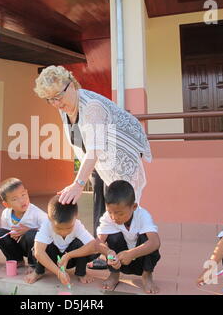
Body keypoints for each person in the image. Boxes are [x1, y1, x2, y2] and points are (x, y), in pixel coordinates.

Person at [34, 65, 152, 269]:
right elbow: (80, 143)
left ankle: (137, 259)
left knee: (122, 209)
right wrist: (82, 178)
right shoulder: (66, 109)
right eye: (50, 99)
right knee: (101, 207)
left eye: (58, 96)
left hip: (120, 159)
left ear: (71, 84)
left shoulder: (92, 107)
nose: (56, 103)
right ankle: (104, 253)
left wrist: (77, 184)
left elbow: (93, 150)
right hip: (100, 161)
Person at [96, 180, 161, 294]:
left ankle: (147, 276)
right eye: (110, 212)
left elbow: (155, 242)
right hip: (119, 262)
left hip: (141, 261)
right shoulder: (108, 217)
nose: (114, 217)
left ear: (134, 207)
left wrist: (131, 254)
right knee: (113, 237)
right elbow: (97, 243)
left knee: (147, 239)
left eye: (120, 213)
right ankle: (114, 274)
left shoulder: (143, 215)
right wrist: (108, 252)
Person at [24, 195, 98, 286]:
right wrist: (58, 272)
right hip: (54, 259)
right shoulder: (46, 225)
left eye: (69, 228)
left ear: (76, 218)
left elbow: (94, 246)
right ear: (49, 219)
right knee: (37, 248)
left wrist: (69, 255)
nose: (64, 232)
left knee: (81, 244)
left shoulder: (77, 225)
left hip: (70, 261)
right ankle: (38, 272)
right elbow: (39, 253)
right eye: (58, 228)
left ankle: (81, 273)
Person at [0, 178, 48, 271]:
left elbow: (50, 230)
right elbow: (6, 231)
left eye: (23, 195)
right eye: (15, 199)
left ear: (27, 192)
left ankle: (33, 264)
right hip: (18, 245)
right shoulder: (6, 214)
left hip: (35, 248)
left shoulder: (36, 213)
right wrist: (11, 233)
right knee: (0, 233)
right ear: (6, 204)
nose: (22, 200)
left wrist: (28, 230)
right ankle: (16, 260)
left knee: (30, 235)